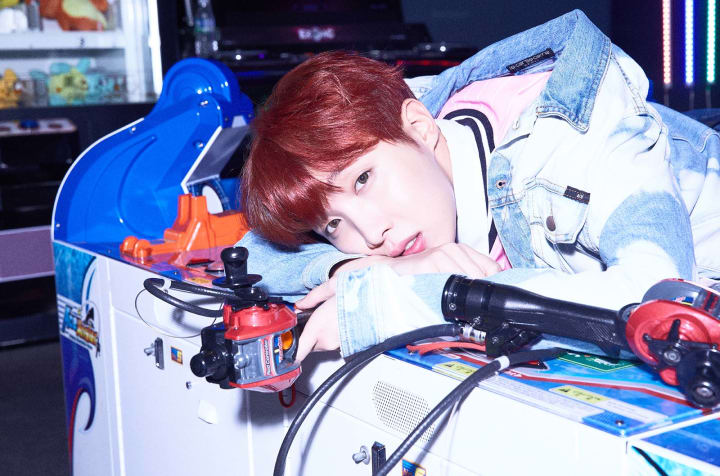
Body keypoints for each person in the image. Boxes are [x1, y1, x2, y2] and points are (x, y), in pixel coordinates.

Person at [237, 10, 720, 362]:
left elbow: (659, 306)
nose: (372, 233)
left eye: (363, 179)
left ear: (419, 126)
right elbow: (253, 255)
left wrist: (405, 299)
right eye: (333, 224)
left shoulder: (580, 136)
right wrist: (362, 267)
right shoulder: (392, 133)